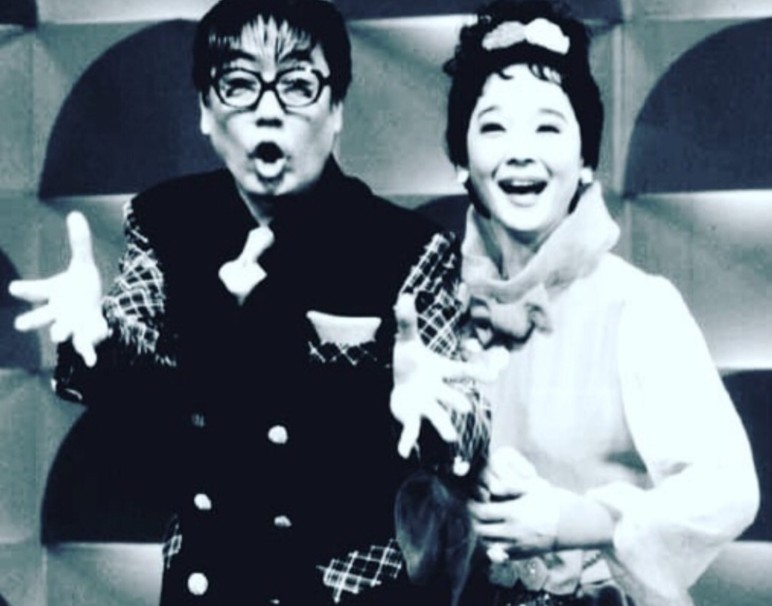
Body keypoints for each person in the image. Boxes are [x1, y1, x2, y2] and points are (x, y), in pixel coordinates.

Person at [8, 0, 483, 604]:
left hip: (347, 589)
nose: (268, 109)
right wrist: (97, 335)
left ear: (337, 108)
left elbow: (465, 422)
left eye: (298, 86)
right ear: (205, 112)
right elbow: (138, 342)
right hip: (211, 582)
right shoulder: (166, 221)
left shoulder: (409, 248)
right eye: (238, 85)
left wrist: (437, 419)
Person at [391, 1, 760, 605]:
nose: (521, 151)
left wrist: (577, 520)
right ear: (460, 161)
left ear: (586, 160)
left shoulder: (636, 307)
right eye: (494, 127)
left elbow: (728, 488)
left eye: (548, 127)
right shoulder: (432, 311)